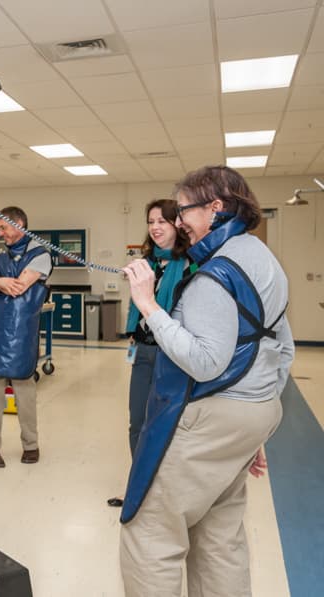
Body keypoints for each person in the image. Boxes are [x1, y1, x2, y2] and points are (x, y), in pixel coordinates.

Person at [120, 166, 294, 596]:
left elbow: (205, 362)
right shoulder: (260, 257)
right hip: (256, 409)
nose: (177, 223)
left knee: (151, 533)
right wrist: (251, 424)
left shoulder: (216, 275)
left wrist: (148, 306)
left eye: (182, 212)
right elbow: (281, 348)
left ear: (216, 208)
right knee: (220, 537)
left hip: (210, 417)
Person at [107, 199, 191, 508]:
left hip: (174, 355)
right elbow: (137, 307)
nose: (155, 227)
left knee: (170, 424)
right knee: (137, 422)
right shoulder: (145, 264)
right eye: (151, 221)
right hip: (143, 349)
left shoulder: (191, 264)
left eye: (163, 221)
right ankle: (138, 486)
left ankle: (166, 491)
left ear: (177, 225)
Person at [0, 206, 52, 467]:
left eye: (3, 227)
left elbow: (19, 286)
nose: (1, 233)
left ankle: (31, 445)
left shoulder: (41, 256)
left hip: (23, 333)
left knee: (24, 394)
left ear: (19, 224)